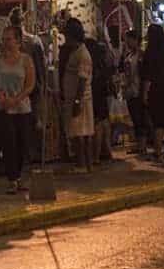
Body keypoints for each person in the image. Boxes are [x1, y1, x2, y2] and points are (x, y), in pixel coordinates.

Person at [0, 26, 36, 193]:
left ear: (18, 41)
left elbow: (30, 84)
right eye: (4, 39)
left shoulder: (26, 60)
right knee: (9, 142)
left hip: (21, 106)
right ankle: (12, 179)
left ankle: (19, 176)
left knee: (22, 143)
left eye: (9, 39)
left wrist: (16, 99)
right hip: (2, 106)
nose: (6, 43)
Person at [59, 18, 95, 173]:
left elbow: (82, 79)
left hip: (81, 99)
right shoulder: (76, 52)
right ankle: (86, 164)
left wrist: (77, 101)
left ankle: (82, 164)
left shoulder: (82, 54)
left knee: (79, 133)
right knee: (82, 132)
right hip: (76, 98)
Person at [140, 25, 164, 161]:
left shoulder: (150, 53)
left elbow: (147, 76)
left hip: (156, 89)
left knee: (158, 123)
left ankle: (158, 153)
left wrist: (144, 93)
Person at [85, 29, 116, 163]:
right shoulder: (102, 62)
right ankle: (107, 150)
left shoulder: (92, 65)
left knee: (97, 124)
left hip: (95, 94)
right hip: (103, 94)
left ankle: (96, 155)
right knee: (104, 122)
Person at [119, 30, 149, 155]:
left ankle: (142, 145)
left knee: (139, 118)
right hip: (129, 90)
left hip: (138, 90)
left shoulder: (141, 55)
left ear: (136, 40)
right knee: (134, 118)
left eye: (129, 39)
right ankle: (139, 144)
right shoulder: (128, 54)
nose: (127, 42)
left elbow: (145, 73)